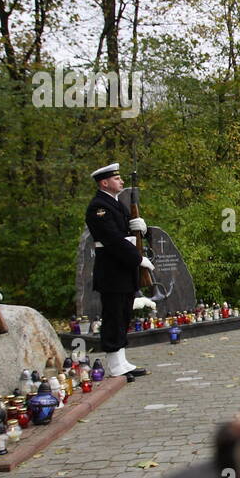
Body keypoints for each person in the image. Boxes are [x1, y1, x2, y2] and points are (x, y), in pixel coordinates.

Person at [85, 163, 154, 381]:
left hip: (123, 271)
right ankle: (114, 366)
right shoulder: (99, 207)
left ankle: (122, 361)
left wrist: (143, 228)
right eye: (116, 179)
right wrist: (139, 259)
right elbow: (113, 240)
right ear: (104, 183)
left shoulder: (116, 204)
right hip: (112, 272)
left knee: (123, 315)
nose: (121, 182)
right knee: (114, 316)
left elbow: (129, 232)